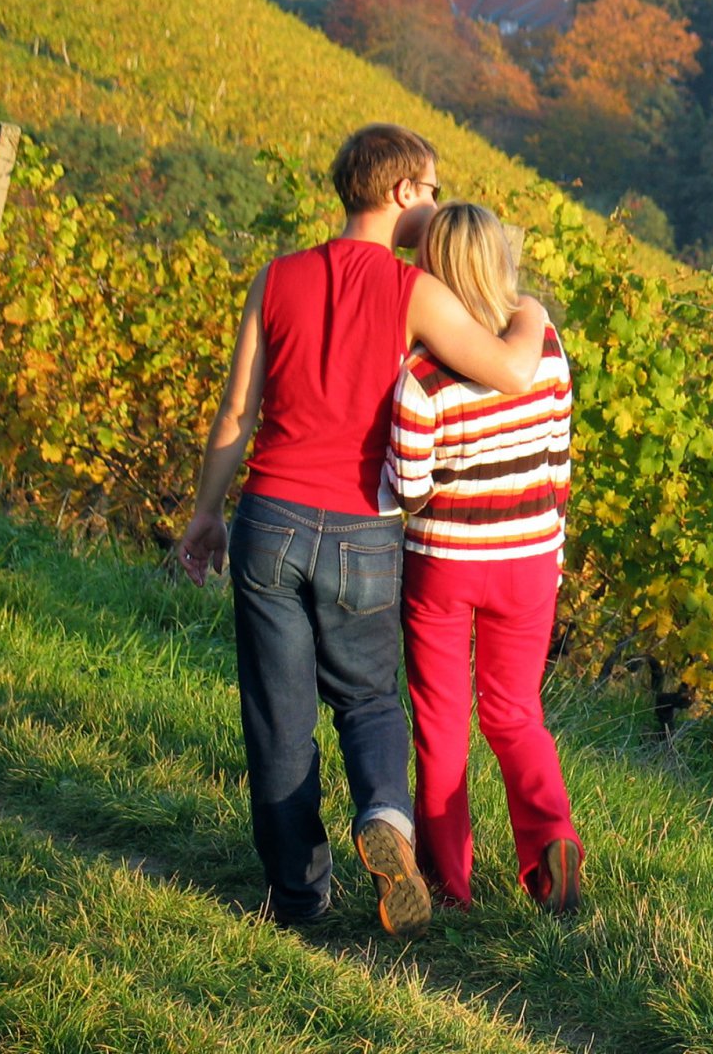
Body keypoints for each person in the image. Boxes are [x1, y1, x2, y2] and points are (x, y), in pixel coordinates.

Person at [176, 124, 551, 939]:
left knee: (278, 716)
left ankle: (298, 897)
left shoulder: (275, 278)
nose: (438, 202)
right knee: (370, 699)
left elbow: (236, 412)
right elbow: (511, 371)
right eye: (433, 188)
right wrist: (530, 313)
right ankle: (386, 816)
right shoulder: (416, 292)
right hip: (361, 529)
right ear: (402, 193)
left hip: (268, 518)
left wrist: (207, 515)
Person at [385, 202, 583, 915]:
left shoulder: (419, 375)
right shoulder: (547, 345)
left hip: (444, 563)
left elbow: (408, 490)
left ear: (430, 271)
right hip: (531, 559)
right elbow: (559, 459)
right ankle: (552, 839)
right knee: (515, 713)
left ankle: (449, 884)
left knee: (442, 724)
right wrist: (551, 544)